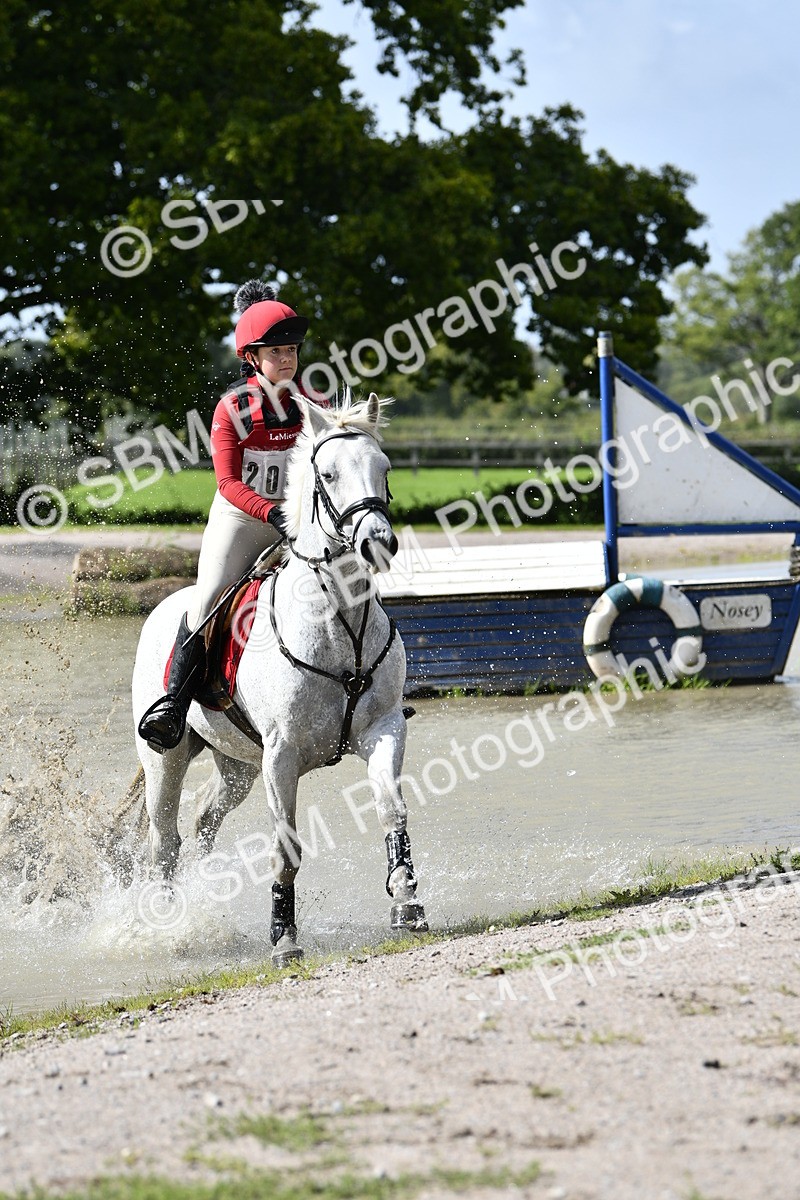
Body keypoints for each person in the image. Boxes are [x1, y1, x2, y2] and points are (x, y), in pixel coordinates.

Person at [138, 280, 321, 751]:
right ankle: (172, 706)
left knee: (343, 576)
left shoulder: (312, 404)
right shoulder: (233, 408)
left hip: (295, 520)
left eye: (292, 350)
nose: (287, 359)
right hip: (242, 520)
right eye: (275, 351)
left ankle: (362, 689)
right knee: (206, 602)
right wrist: (271, 512)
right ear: (252, 359)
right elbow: (228, 484)